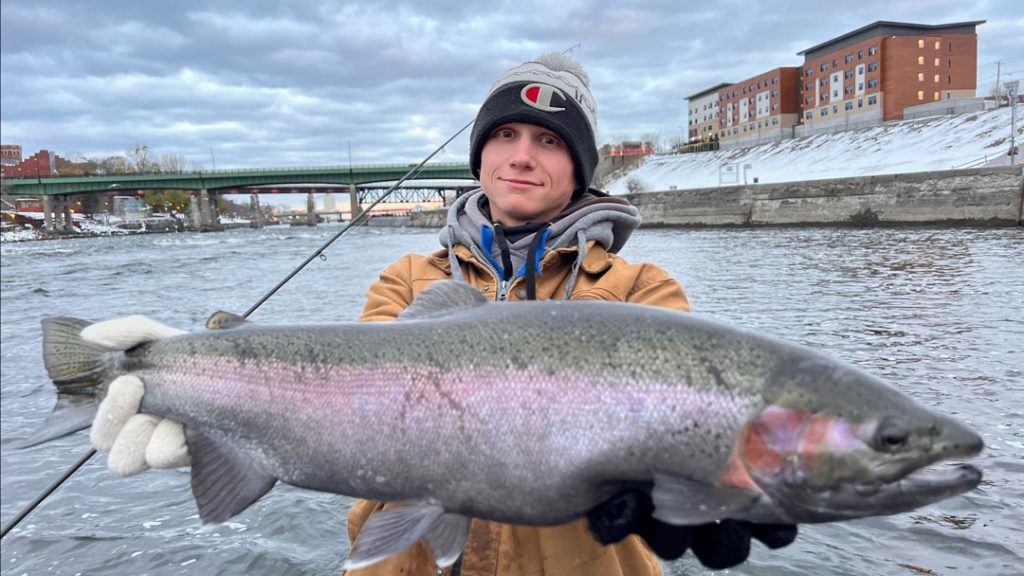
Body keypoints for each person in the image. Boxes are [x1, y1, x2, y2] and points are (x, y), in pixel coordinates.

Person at [85, 53, 796, 575]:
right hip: (408, 562)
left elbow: (693, 422)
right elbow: (349, 402)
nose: (523, 155)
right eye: (505, 135)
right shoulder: (407, 279)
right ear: (480, 154)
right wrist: (199, 388)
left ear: (582, 167)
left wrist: (705, 483)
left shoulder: (645, 289)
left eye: (550, 140)